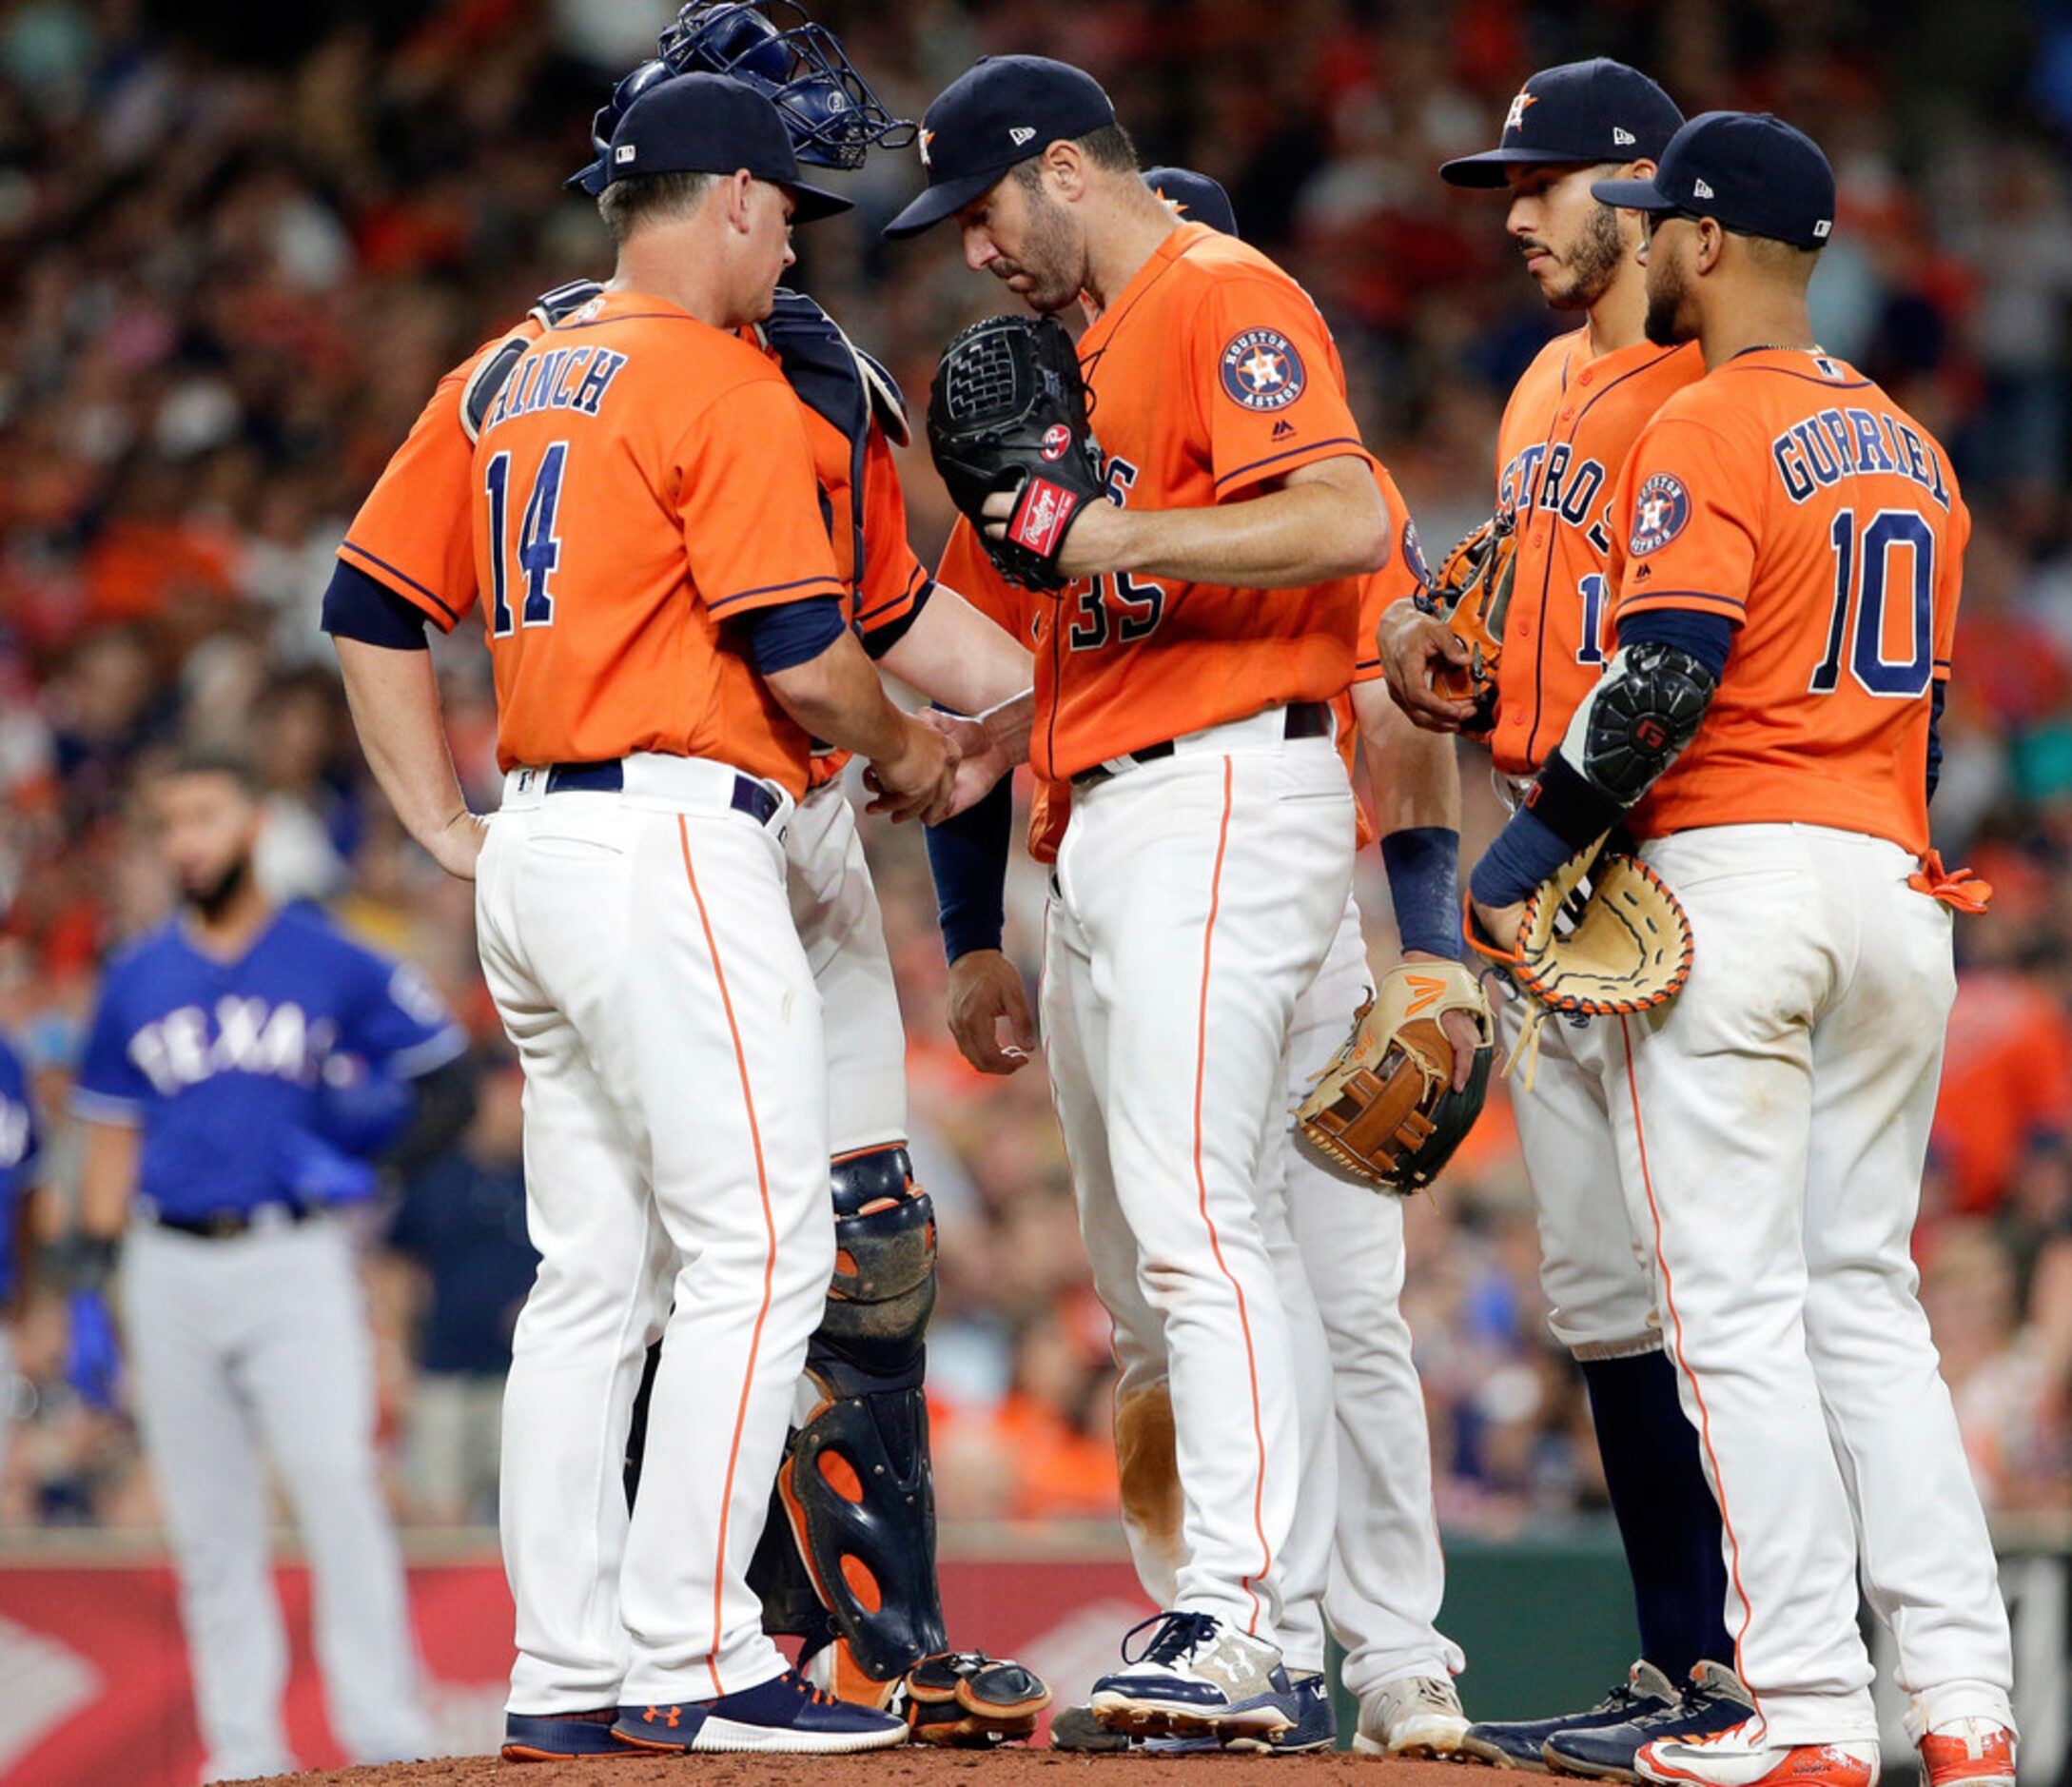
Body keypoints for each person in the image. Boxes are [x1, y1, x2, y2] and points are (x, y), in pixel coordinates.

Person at [327, 2, 1047, 1749]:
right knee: (760, 1243)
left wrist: (439, 827)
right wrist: (917, 756)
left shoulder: (504, 368)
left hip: (536, 846)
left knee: (593, 1277)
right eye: (783, 206)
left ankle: (563, 1665)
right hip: (670, 841)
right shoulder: (717, 375)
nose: (795, 233)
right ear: (725, 196)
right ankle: (696, 1649)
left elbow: (364, 603)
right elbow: (814, 660)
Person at [1469, 111, 2017, 1787]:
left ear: (1702, 243)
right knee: (1866, 1302)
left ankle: (1800, 1711)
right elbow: (1917, 722)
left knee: (1729, 1313)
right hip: (1892, 887)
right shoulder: (1913, 449)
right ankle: (1966, 1709)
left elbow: (1658, 680)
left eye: (1657, 220)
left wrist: (1520, 857)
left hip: (1740, 879)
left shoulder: (1699, 422)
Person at [929, 165, 1471, 1759]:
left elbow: (1388, 697)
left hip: (1259, 851)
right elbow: (983, 716)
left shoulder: (1263, 425)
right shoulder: (1039, 449)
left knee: (1331, 1286)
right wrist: (970, 941)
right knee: (1157, 1290)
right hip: (1100, 858)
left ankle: (1381, 1648)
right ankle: (1244, 1629)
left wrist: (1426, 939)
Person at [1378, 61, 1747, 1777]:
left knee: (1709, 1283)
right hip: (1545, 850)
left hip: (1658, 856)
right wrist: (1462, 648)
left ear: (1636, 180)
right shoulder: (1538, 381)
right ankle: (1679, 1660)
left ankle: (1771, 1658)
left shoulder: (1711, 369)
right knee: (1598, 1284)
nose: (1514, 215)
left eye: (1538, 183)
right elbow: (1545, 591)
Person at [68, 751, 464, 1783]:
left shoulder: (331, 957)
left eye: (202, 814)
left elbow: (448, 1081)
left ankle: (386, 1736)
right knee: (208, 1521)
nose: (183, 840)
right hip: (165, 1259)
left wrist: (371, 1162)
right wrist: (88, 1291)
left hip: (295, 1253)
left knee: (337, 1483)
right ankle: (242, 1751)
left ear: (255, 821)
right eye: (167, 824)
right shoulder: (137, 976)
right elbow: (111, 1138)